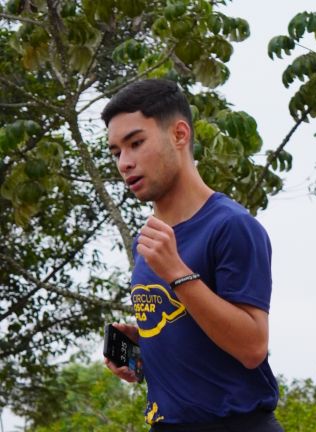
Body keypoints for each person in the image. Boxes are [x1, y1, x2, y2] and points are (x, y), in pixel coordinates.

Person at [101, 79, 283, 432]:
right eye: (116, 152)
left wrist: (177, 273)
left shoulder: (232, 225)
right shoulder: (152, 239)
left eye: (136, 143)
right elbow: (198, 331)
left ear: (180, 135)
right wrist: (144, 349)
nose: (125, 163)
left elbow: (251, 346)